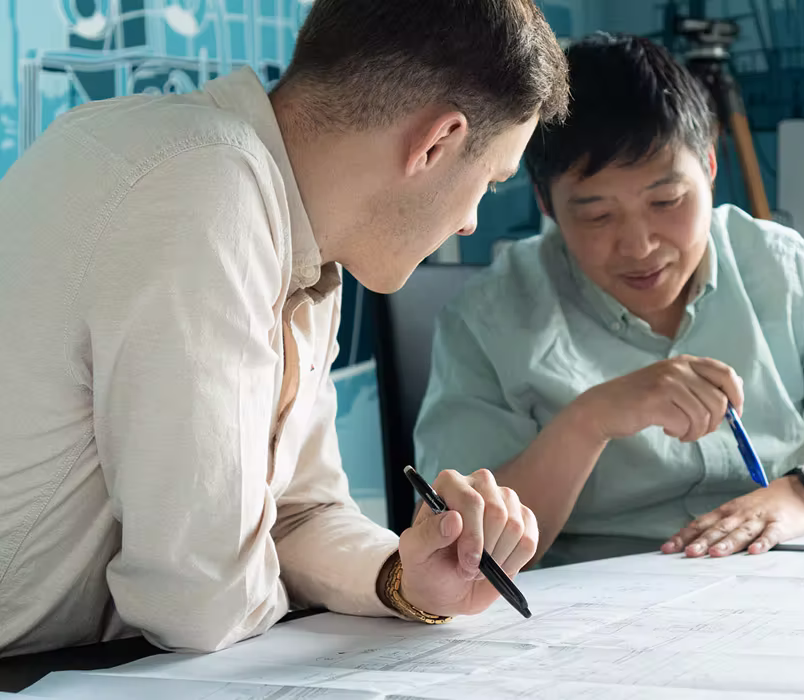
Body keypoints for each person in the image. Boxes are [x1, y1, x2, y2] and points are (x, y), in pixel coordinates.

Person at [0, 0, 568, 657]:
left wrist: (402, 577)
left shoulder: (303, 231)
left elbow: (297, 513)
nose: (471, 221)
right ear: (436, 143)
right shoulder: (204, 190)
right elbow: (199, 604)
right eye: (491, 182)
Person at [414, 33, 804, 567]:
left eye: (667, 200)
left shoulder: (779, 267)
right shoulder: (488, 318)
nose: (640, 246)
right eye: (597, 214)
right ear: (547, 205)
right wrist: (591, 419)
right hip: (598, 608)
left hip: (780, 581)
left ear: (711, 167)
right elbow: (465, 546)